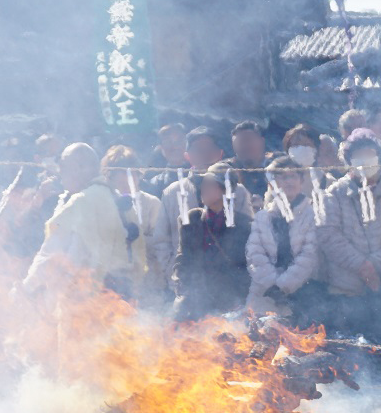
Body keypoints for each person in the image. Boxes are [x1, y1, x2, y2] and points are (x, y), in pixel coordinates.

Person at [317, 131, 381, 361]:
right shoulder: (334, 193)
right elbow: (328, 235)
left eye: (370, 154)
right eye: (359, 155)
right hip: (346, 289)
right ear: (348, 159)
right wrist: (361, 265)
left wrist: (375, 264)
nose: (365, 160)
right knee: (351, 355)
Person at [22, 144, 133, 301]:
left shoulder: (82, 200)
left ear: (81, 168)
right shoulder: (111, 195)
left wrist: (26, 287)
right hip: (116, 294)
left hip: (84, 295)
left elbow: (52, 251)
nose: (60, 173)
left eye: (63, 167)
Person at [157, 128, 252, 289]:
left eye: (210, 149)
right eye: (199, 150)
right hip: (187, 283)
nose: (206, 155)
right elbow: (161, 241)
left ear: (220, 154)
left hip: (230, 284)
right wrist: (173, 274)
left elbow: (249, 236)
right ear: (187, 156)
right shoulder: (172, 192)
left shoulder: (238, 190)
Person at [245, 157, 322, 321]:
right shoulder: (262, 217)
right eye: (282, 176)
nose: (289, 181)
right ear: (272, 183)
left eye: (293, 176)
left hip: (302, 291)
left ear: (301, 181)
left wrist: (283, 286)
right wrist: (271, 285)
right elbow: (255, 254)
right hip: (264, 292)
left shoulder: (313, 215)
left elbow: (310, 254)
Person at [173, 172, 252, 320]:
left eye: (209, 184)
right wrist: (184, 290)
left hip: (230, 300)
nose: (203, 188)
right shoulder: (191, 219)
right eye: (202, 184)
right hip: (196, 298)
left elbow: (246, 268)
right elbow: (183, 259)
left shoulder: (245, 224)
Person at [103, 145, 168, 304]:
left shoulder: (152, 203)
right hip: (112, 285)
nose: (127, 179)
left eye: (132, 173)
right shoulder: (103, 204)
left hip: (149, 284)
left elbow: (160, 244)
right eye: (121, 174)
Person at [225, 121, 270, 197]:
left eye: (248, 140)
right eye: (239, 142)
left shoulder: (279, 164)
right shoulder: (227, 169)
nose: (245, 146)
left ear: (262, 141)